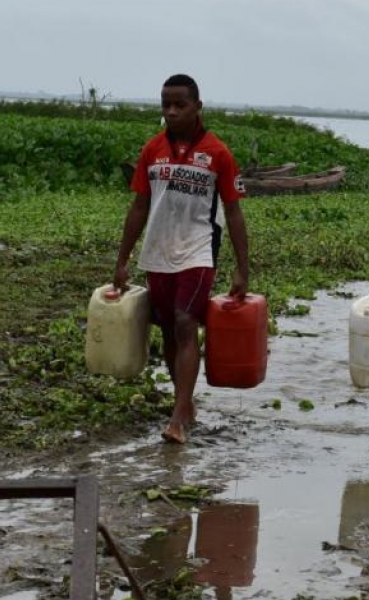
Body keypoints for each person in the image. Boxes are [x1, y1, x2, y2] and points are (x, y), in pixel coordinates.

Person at [113, 74, 251, 445]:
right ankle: (184, 401)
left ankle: (178, 419)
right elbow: (139, 206)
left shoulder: (218, 154)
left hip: (197, 250)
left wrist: (242, 267)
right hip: (158, 252)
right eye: (166, 105)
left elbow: (234, 214)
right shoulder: (152, 150)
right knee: (169, 331)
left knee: (185, 321)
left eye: (180, 105)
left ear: (197, 107)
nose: (171, 112)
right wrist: (122, 259)